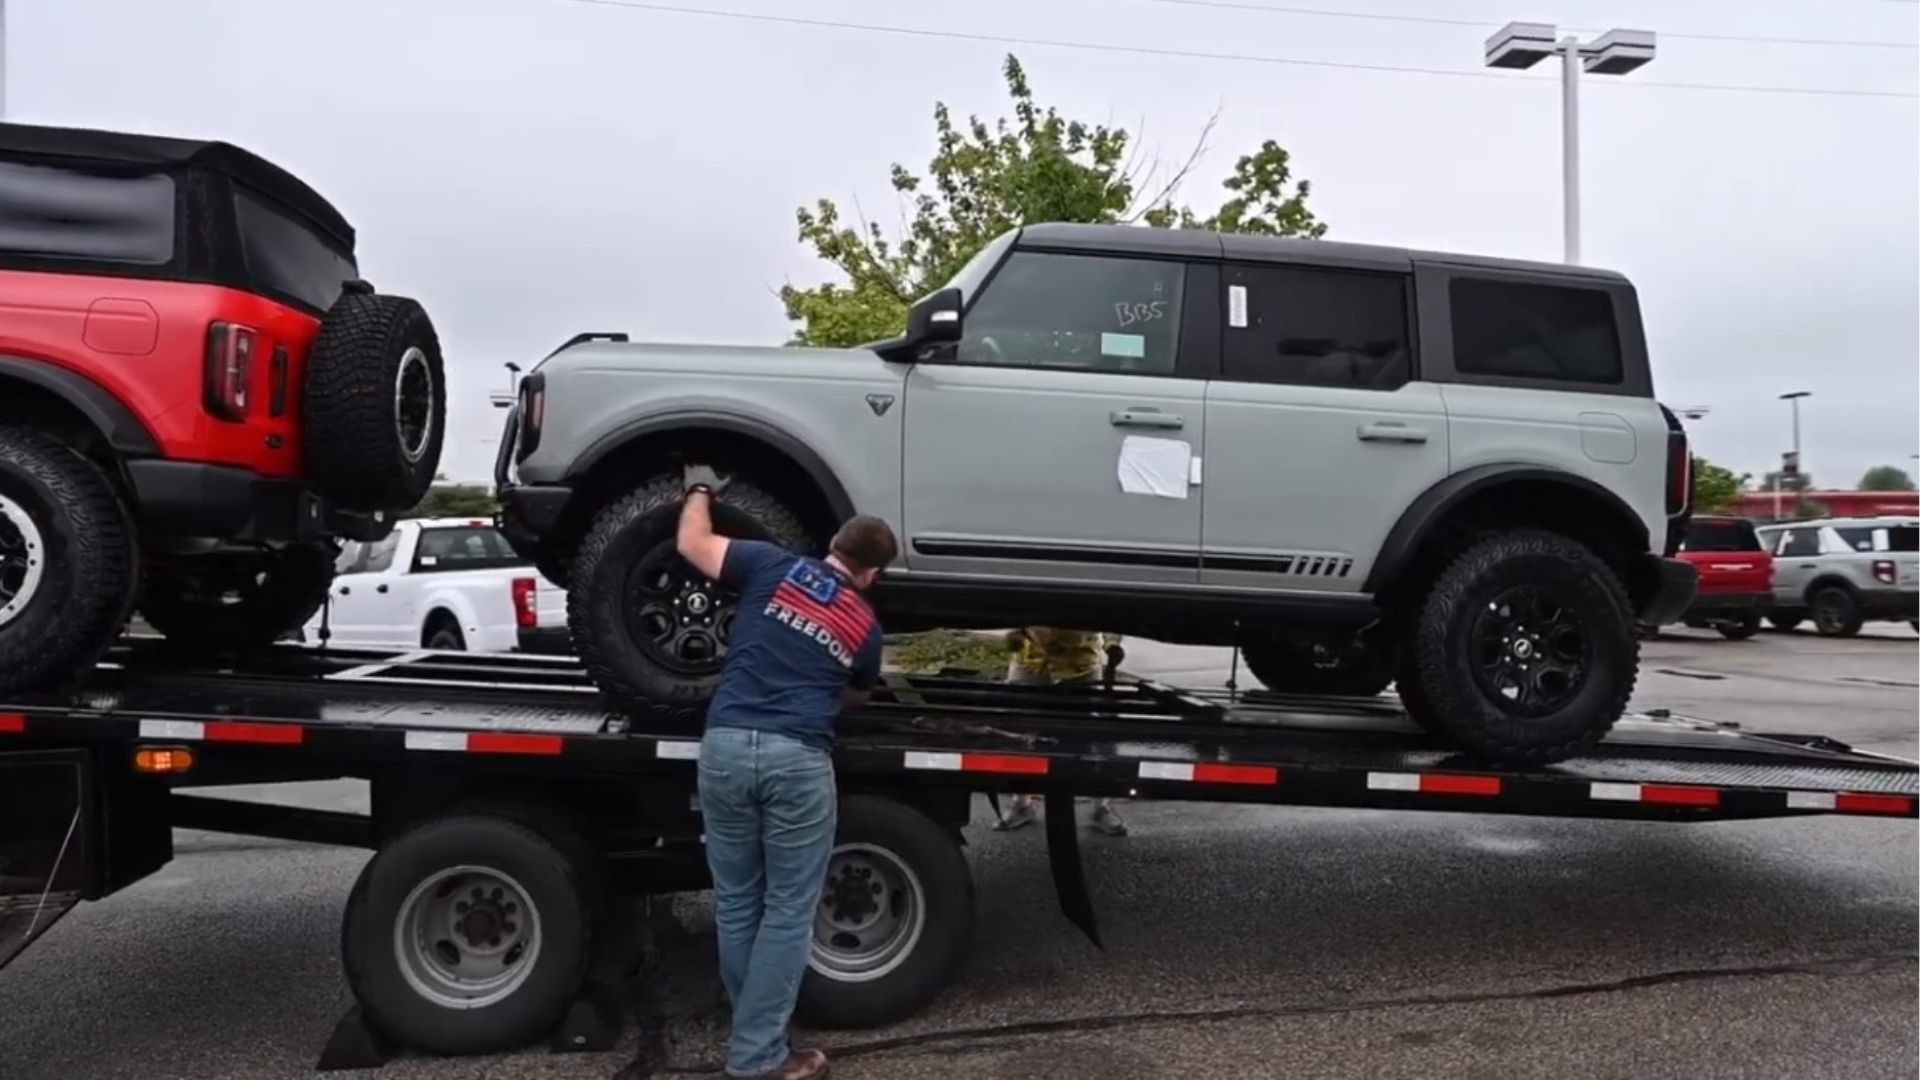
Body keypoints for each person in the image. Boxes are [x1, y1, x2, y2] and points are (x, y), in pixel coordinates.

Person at [674, 463, 897, 1080]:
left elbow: (691, 543)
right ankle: (758, 1055)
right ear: (872, 575)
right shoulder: (865, 627)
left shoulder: (770, 565)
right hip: (796, 756)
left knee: (737, 902)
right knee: (788, 911)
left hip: (723, 745)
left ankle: (757, 1038)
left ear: (832, 547)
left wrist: (699, 490)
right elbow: (856, 694)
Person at [993, 627, 1128, 837]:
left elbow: (1113, 613)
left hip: (1080, 667)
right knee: (1019, 735)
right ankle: (1021, 803)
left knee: (1089, 739)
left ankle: (1100, 807)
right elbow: (1013, 608)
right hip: (1030, 663)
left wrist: (1113, 643)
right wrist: (1015, 631)